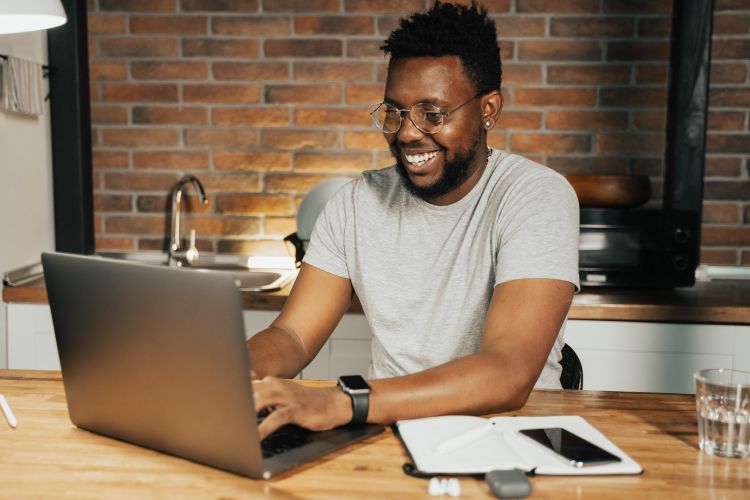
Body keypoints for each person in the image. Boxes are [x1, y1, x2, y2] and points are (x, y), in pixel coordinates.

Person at [248, 1, 579, 440]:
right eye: (395, 112)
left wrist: (344, 402)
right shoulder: (355, 204)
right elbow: (291, 334)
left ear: (489, 109)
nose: (406, 133)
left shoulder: (535, 196)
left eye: (432, 114)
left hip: (510, 436)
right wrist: (227, 372)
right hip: (385, 431)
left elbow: (509, 372)